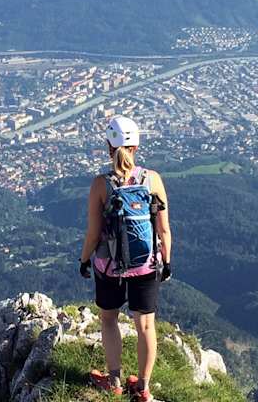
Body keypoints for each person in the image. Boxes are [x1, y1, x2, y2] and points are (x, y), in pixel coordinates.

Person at [79, 116, 173, 402]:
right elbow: (164, 229)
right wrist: (166, 262)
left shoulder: (100, 185)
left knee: (109, 320)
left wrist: (84, 261)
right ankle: (143, 388)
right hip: (147, 264)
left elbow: (93, 234)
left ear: (109, 145)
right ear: (136, 146)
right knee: (145, 325)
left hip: (109, 267)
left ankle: (115, 381)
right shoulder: (152, 179)